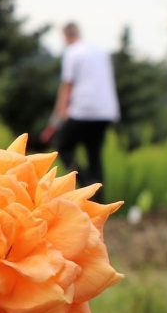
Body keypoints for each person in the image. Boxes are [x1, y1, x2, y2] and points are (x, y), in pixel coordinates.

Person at [43, 22, 120, 198]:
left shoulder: (72, 52)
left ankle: (86, 186)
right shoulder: (100, 52)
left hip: (82, 110)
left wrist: (60, 111)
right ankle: (99, 198)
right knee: (94, 154)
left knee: (63, 147)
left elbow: (67, 84)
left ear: (66, 36)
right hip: (105, 111)